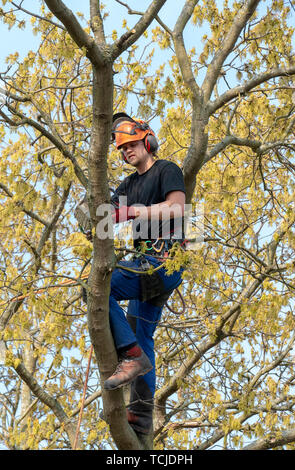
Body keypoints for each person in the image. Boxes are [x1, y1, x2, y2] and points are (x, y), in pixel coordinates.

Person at [81, 113, 186, 435]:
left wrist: (134, 211)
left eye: (131, 144)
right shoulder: (128, 184)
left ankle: (130, 356)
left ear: (147, 141)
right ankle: (141, 419)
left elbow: (178, 207)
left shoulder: (166, 170)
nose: (126, 151)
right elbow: (106, 216)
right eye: (121, 148)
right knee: (143, 335)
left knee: (98, 289)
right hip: (146, 266)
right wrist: (92, 218)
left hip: (163, 260)